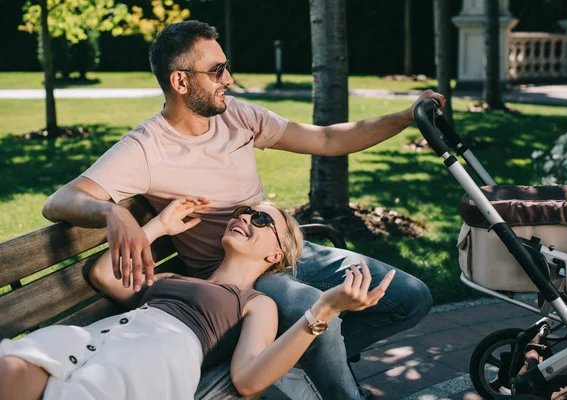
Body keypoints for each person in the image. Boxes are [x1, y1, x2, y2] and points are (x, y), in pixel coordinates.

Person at [41, 20, 443, 400]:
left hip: (281, 250)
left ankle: (287, 361)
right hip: (237, 283)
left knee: (410, 297)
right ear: (180, 81)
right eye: (216, 71)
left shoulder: (238, 115)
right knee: (311, 311)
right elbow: (59, 201)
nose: (228, 80)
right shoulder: (145, 148)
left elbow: (325, 141)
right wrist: (115, 214)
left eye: (226, 68)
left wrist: (407, 115)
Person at [0, 198, 395, 400]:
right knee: (14, 367)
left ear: (275, 255)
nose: (244, 218)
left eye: (261, 220)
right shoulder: (173, 277)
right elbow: (104, 274)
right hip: (94, 337)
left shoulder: (255, 302)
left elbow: (247, 380)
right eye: (243, 212)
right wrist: (159, 225)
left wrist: (324, 309)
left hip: (154, 358)